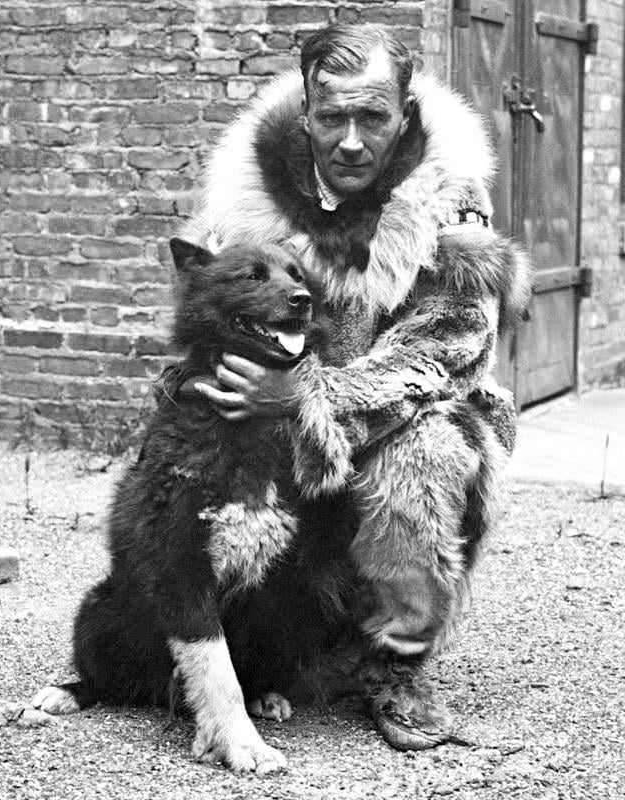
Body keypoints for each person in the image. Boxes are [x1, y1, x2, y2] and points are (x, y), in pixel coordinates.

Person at [176, 23, 530, 750]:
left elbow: (450, 345)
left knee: (427, 453)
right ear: (306, 112)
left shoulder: (447, 198)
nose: (350, 140)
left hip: (414, 409)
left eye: (373, 117)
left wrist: (307, 402)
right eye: (332, 117)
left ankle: (397, 665)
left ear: (404, 115)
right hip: (288, 405)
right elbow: (208, 315)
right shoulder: (250, 193)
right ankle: (229, 639)